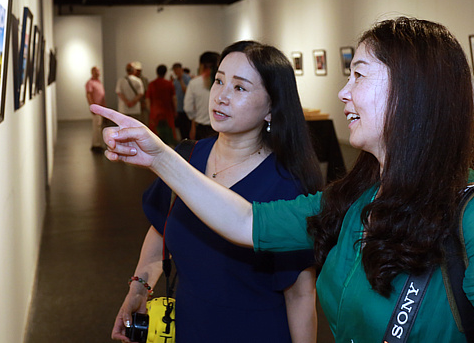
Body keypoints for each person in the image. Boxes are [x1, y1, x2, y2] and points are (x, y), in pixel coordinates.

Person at [94, 17, 474, 343]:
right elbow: (244, 222)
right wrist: (160, 157)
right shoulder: (358, 198)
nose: (342, 91)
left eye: (358, 74)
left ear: (413, 95)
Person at [109, 41, 324, 343]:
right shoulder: (185, 157)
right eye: (219, 81)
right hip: (188, 327)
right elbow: (161, 229)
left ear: (272, 108)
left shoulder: (287, 185)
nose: (221, 96)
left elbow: (301, 294)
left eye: (239, 88)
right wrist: (138, 288)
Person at [183, 51, 220, 140]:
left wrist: (193, 119)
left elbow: (188, 108)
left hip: (201, 129)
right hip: (220, 129)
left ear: (201, 65)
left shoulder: (194, 83)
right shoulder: (223, 83)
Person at [146, 64, 176, 145]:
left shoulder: (151, 84)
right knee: (168, 135)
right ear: (165, 72)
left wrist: (150, 111)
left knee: (155, 136)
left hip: (155, 113)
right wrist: (175, 110)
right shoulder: (169, 84)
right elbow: (174, 99)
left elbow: (148, 99)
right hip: (167, 112)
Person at [86, 66, 106, 150]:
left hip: (101, 107)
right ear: (92, 72)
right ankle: (96, 145)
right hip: (96, 108)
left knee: (99, 126)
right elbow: (88, 94)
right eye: (96, 71)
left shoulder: (99, 82)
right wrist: (92, 106)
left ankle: (98, 143)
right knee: (96, 126)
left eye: (98, 70)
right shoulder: (90, 83)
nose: (98, 72)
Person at [170, 62, 191, 141]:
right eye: (174, 71)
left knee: (187, 128)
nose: (175, 72)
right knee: (181, 128)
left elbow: (187, 91)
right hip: (179, 108)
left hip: (186, 107)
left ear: (180, 69)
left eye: (176, 70)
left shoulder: (186, 78)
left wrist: (181, 80)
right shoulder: (175, 81)